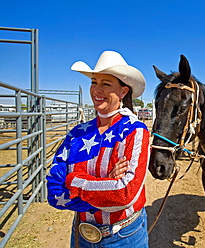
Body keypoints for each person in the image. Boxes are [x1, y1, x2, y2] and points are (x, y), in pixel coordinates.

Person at [46, 50, 150, 248]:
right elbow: (53, 192)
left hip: (124, 236)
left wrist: (73, 180)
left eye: (106, 83)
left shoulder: (135, 132)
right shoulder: (77, 133)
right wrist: (105, 184)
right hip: (82, 233)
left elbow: (125, 194)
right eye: (94, 82)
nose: (97, 90)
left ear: (123, 91)